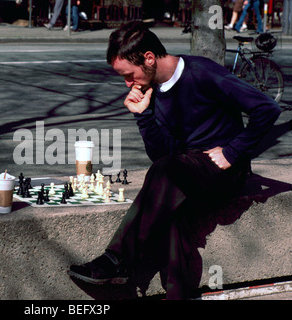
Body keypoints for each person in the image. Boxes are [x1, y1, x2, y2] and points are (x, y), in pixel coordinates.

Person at [68, 21, 281, 299]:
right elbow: (162, 156)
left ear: (148, 58)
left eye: (129, 75)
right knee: (172, 213)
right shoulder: (152, 89)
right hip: (185, 172)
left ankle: (117, 259)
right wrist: (142, 116)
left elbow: (267, 109)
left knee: (167, 176)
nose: (127, 84)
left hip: (225, 172)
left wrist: (232, 152)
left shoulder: (203, 73)